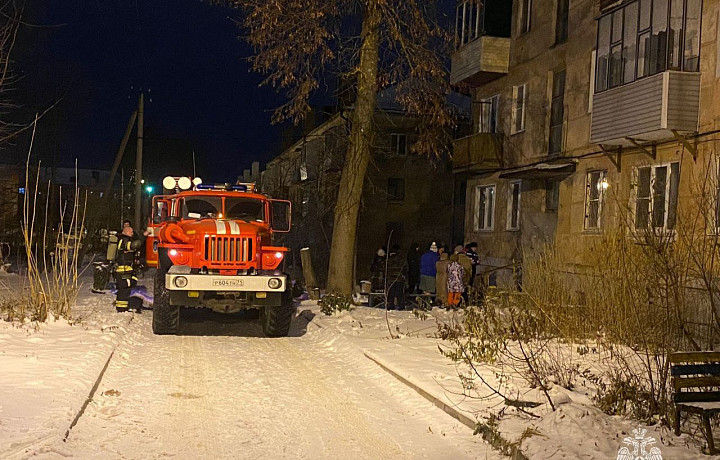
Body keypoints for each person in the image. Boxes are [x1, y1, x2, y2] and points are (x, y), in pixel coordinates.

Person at [114, 224, 142, 313]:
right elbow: (132, 246)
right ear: (126, 232)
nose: (132, 233)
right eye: (131, 231)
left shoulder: (125, 239)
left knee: (127, 287)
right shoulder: (124, 240)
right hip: (123, 270)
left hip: (127, 269)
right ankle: (121, 308)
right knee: (124, 289)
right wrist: (141, 238)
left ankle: (123, 307)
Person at [385, 245, 407, 310]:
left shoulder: (389, 259)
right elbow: (405, 268)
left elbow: (386, 268)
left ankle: (390, 306)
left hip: (391, 279)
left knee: (390, 293)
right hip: (399, 278)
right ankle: (401, 306)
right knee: (399, 293)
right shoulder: (401, 259)